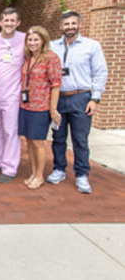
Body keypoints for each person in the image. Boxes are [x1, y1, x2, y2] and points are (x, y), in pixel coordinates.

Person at [47, 11, 108, 194]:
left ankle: (82, 174)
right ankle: (59, 169)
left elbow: (100, 72)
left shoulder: (92, 46)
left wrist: (95, 98)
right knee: (58, 138)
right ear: (61, 26)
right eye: (66, 24)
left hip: (81, 98)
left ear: (79, 24)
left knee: (80, 140)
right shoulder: (52, 47)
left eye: (73, 23)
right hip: (58, 98)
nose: (70, 27)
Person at [18, 26, 62, 190]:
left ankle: (39, 176)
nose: (32, 42)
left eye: (36, 39)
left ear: (43, 40)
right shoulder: (28, 58)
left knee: (38, 142)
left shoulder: (51, 58)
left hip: (41, 107)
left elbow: (56, 85)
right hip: (25, 105)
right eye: (30, 40)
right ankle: (33, 172)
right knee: (29, 141)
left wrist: (53, 108)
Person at [0, 7, 26, 184]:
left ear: (18, 23)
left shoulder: (25, 39)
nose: (9, 24)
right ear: (0, 22)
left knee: (10, 132)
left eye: (12, 21)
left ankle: (9, 168)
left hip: (13, 94)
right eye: (6, 20)